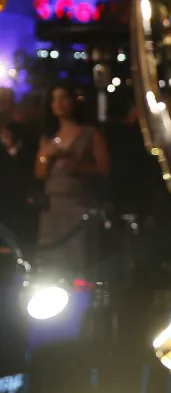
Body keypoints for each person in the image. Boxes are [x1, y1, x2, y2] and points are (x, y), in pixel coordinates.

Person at [34, 85, 110, 273]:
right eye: (54, 99)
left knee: (77, 261)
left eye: (64, 97)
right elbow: (40, 174)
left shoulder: (90, 133)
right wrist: (46, 155)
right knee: (51, 264)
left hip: (79, 205)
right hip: (52, 209)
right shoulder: (48, 138)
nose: (59, 104)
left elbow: (104, 169)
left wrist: (79, 168)